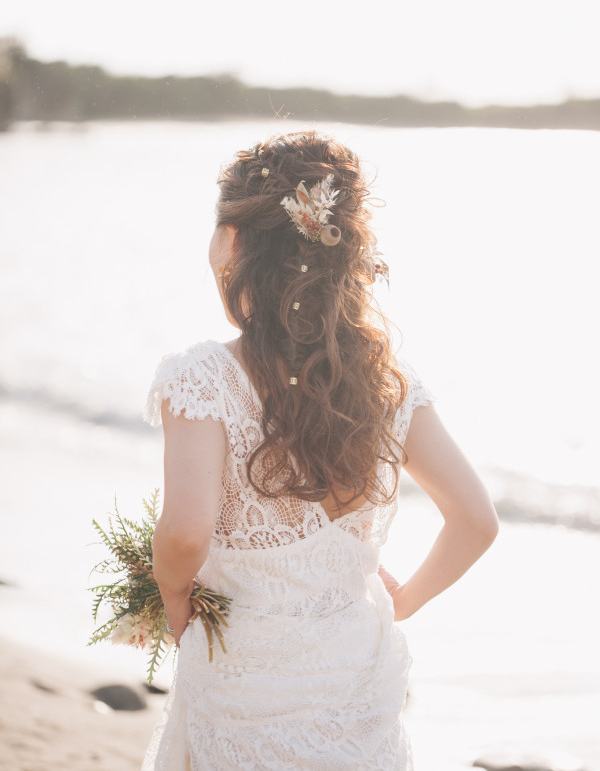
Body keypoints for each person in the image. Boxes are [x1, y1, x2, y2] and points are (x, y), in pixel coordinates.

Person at [142, 131, 499, 770]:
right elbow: (475, 520)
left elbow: (187, 535)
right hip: (355, 675)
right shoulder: (388, 384)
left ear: (237, 242)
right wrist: (405, 599)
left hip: (246, 678)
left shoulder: (202, 379)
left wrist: (173, 598)